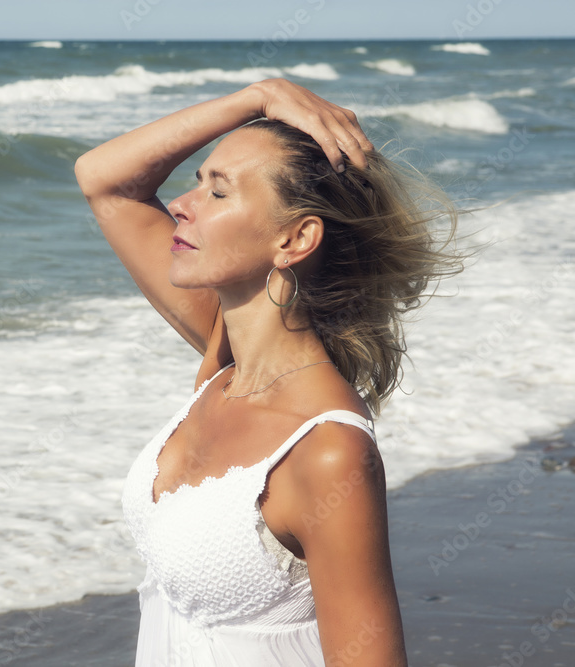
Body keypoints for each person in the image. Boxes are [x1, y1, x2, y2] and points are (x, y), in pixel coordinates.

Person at [74, 79, 463, 666]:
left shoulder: (327, 451)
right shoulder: (223, 358)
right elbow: (104, 178)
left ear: (296, 237)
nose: (182, 203)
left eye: (218, 193)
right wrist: (257, 97)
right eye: (197, 181)